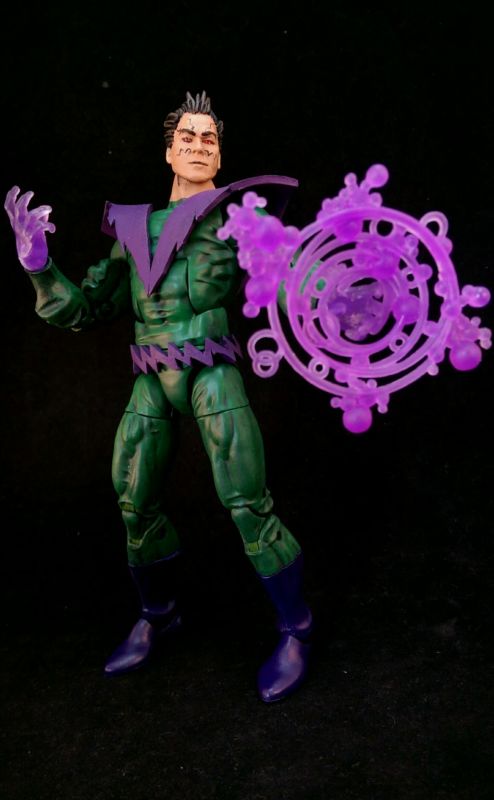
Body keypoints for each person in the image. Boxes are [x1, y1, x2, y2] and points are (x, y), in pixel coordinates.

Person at [5, 90, 312, 703]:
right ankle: (160, 615)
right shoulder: (131, 229)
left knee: (246, 500)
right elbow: (87, 308)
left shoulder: (240, 220)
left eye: (209, 139)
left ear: (220, 156)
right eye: (187, 137)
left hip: (211, 371)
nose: (199, 146)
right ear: (169, 151)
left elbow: (293, 278)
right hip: (151, 374)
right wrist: (39, 265)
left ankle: (295, 627)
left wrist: (341, 298)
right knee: (134, 499)